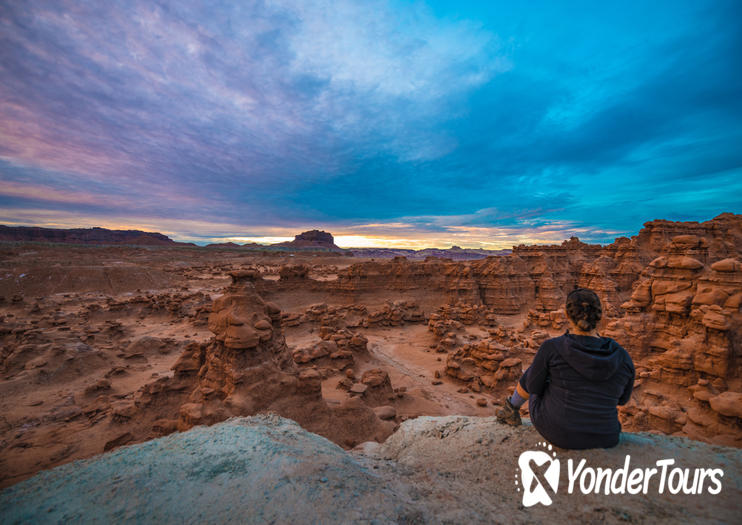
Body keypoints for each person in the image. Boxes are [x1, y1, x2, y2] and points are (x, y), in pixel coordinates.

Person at [496, 288, 635, 449]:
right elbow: (622, 400)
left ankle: (511, 409)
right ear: (600, 316)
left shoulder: (552, 348)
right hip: (606, 436)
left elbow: (534, 388)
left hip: (560, 433)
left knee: (535, 373)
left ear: (567, 315)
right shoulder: (622, 355)